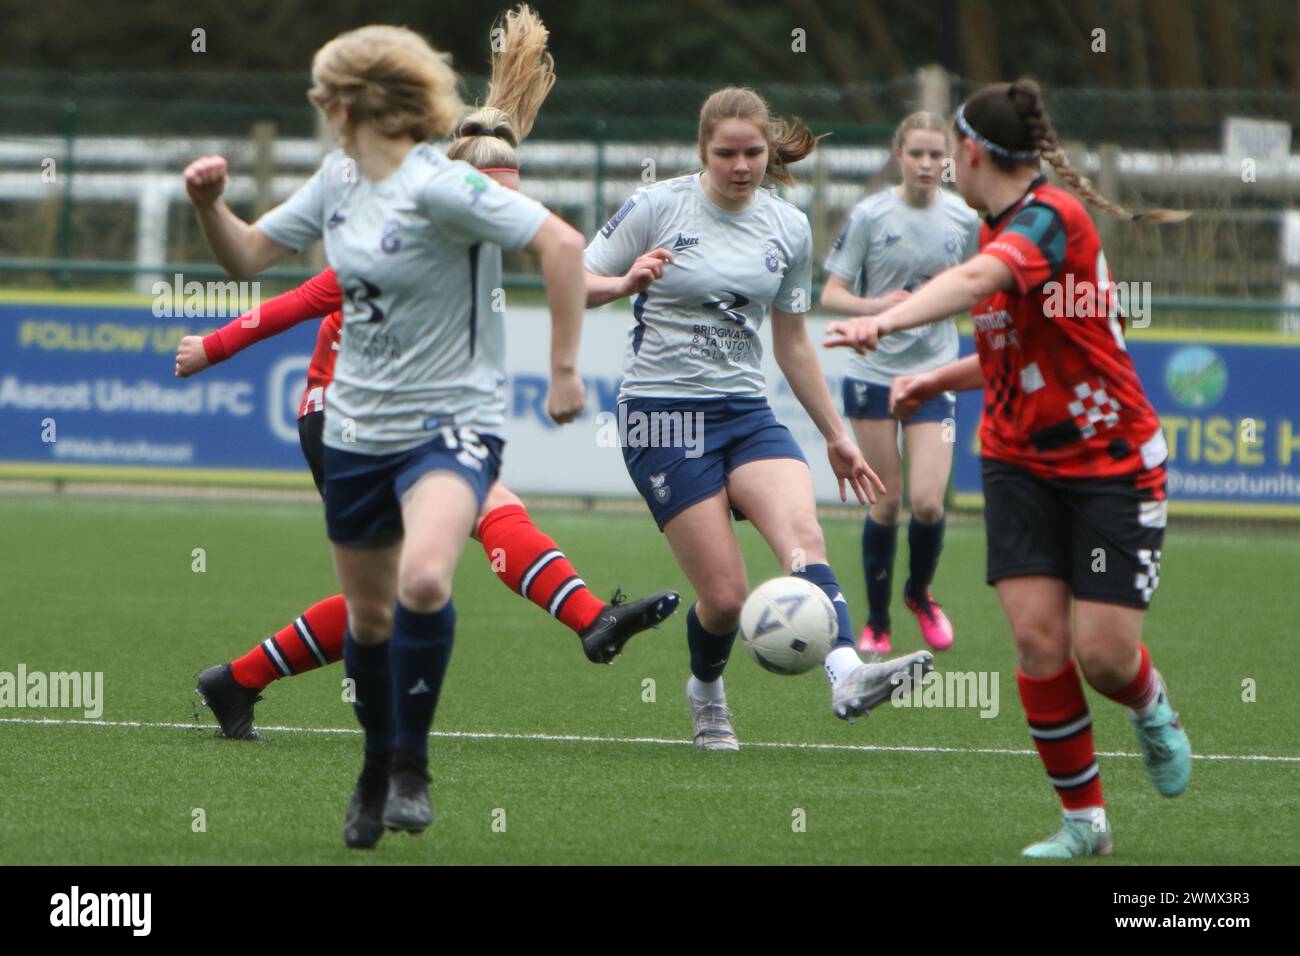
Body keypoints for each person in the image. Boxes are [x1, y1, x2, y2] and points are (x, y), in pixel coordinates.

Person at [181, 7, 677, 744]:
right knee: (407, 582)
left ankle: (240, 680)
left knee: (425, 567)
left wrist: (620, 283)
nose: (510, 210)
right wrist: (211, 348)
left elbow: (559, 268)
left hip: (423, 417)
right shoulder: (399, 230)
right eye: (501, 195)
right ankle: (579, 620)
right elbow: (291, 299)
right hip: (343, 416)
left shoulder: (472, 233)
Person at [825, 78, 1192, 859]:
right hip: (1019, 463)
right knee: (1036, 643)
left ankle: (1150, 702)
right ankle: (1085, 824)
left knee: (1103, 656)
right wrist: (935, 377)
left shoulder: (1050, 220)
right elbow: (1008, 348)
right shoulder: (1000, 233)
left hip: (1109, 465)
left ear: (966, 152)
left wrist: (883, 319)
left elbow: (977, 284)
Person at [583, 86, 935, 752]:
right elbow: (572, 281)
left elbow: (793, 342)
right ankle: (707, 693)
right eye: (726, 154)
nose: (740, 166)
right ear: (702, 150)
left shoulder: (787, 225)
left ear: (768, 152)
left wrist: (836, 436)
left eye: (752, 153)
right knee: (724, 596)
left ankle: (848, 674)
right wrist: (624, 283)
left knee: (804, 538)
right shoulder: (658, 207)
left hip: (745, 410)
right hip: (662, 416)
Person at [820, 111, 980, 655]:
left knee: (930, 504)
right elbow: (832, 294)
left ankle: (920, 593)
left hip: (934, 372)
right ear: (899, 156)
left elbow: (982, 288)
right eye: (918, 154)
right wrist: (876, 308)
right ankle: (878, 621)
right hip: (872, 374)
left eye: (938, 155)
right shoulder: (870, 215)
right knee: (885, 504)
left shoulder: (963, 219)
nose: (929, 164)